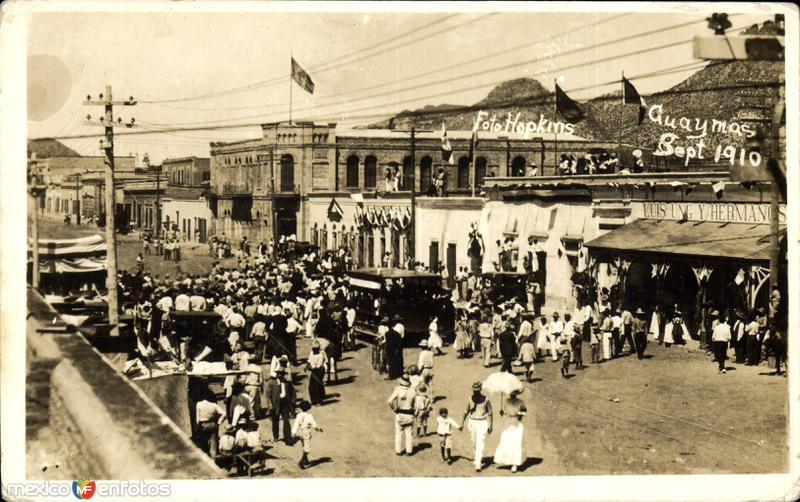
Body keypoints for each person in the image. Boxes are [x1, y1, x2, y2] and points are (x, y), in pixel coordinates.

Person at [493, 388, 527, 473]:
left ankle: (515, 464)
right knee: (506, 441)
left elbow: (525, 412)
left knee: (517, 442)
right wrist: (502, 412)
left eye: (513, 394)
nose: (512, 396)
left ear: (516, 394)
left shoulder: (520, 402)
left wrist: (519, 414)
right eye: (511, 394)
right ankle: (507, 461)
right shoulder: (506, 401)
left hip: (517, 423)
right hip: (508, 422)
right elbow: (505, 411)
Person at [462, 382, 493, 472]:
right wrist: (462, 423)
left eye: (477, 391)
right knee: (474, 443)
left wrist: (491, 425)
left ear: (480, 390)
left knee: (480, 442)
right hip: (472, 422)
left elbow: (490, 413)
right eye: (474, 391)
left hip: (482, 422)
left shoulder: (486, 399)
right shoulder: (469, 399)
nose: (475, 392)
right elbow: (465, 411)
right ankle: (477, 457)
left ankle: (478, 463)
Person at [387, 373, 416, 456]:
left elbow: (389, 401)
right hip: (409, 414)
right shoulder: (413, 391)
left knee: (398, 433)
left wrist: (394, 409)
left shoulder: (397, 389)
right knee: (409, 433)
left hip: (399, 414)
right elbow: (415, 404)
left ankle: (398, 451)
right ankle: (409, 451)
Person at [264, 369, 295, 444]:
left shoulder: (287, 383)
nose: (281, 375)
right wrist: (270, 405)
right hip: (275, 404)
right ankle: (276, 436)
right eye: (279, 374)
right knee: (275, 421)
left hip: (285, 404)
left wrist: (292, 401)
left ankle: (287, 437)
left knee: (286, 420)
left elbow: (293, 393)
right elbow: (268, 395)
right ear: (277, 374)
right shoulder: (272, 383)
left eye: (282, 374)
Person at [292, 400, 323, 470]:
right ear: (308, 408)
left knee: (304, 446)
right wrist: (319, 429)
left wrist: (293, 433)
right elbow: (314, 424)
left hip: (300, 433)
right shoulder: (309, 416)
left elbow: (296, 424)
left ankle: (306, 460)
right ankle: (301, 461)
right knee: (307, 449)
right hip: (306, 433)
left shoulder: (298, 415)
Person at [195, 393, 227, 458]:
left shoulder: (199, 404)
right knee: (213, 446)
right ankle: (213, 461)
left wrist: (197, 428)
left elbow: (197, 419)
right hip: (212, 425)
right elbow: (224, 413)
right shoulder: (214, 405)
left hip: (203, 425)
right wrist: (219, 422)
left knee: (204, 445)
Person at [306, 341, 328, 406]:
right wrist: (307, 366)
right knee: (311, 387)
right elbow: (309, 360)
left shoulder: (321, 355)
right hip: (313, 371)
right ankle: (313, 400)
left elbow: (319, 365)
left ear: (318, 349)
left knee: (317, 386)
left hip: (318, 371)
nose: (314, 350)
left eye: (315, 349)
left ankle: (319, 401)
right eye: (313, 349)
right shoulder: (312, 353)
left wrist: (311, 367)